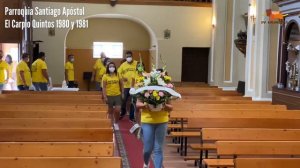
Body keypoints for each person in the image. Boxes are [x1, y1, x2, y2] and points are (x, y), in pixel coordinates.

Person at [136, 99, 173, 168]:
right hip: (147, 121)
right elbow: (138, 104)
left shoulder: (165, 90)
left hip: (162, 121)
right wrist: (145, 105)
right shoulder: (144, 89)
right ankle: (146, 162)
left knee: (158, 148)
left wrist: (164, 106)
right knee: (147, 149)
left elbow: (171, 107)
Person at [102, 62, 123, 130]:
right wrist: (105, 96)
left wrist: (122, 93)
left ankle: (116, 123)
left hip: (117, 95)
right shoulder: (105, 76)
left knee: (118, 110)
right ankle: (111, 124)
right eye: (110, 66)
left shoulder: (118, 74)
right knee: (110, 111)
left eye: (113, 66)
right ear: (108, 68)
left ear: (115, 68)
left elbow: (121, 84)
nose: (112, 68)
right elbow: (104, 87)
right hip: (109, 95)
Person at [118, 51, 137, 122]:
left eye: (130, 56)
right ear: (125, 57)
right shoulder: (123, 65)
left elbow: (140, 72)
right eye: (127, 56)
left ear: (132, 56)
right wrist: (122, 78)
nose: (128, 57)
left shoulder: (137, 63)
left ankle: (131, 116)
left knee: (132, 101)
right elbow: (118, 73)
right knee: (123, 100)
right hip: (126, 86)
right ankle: (123, 111)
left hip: (134, 86)